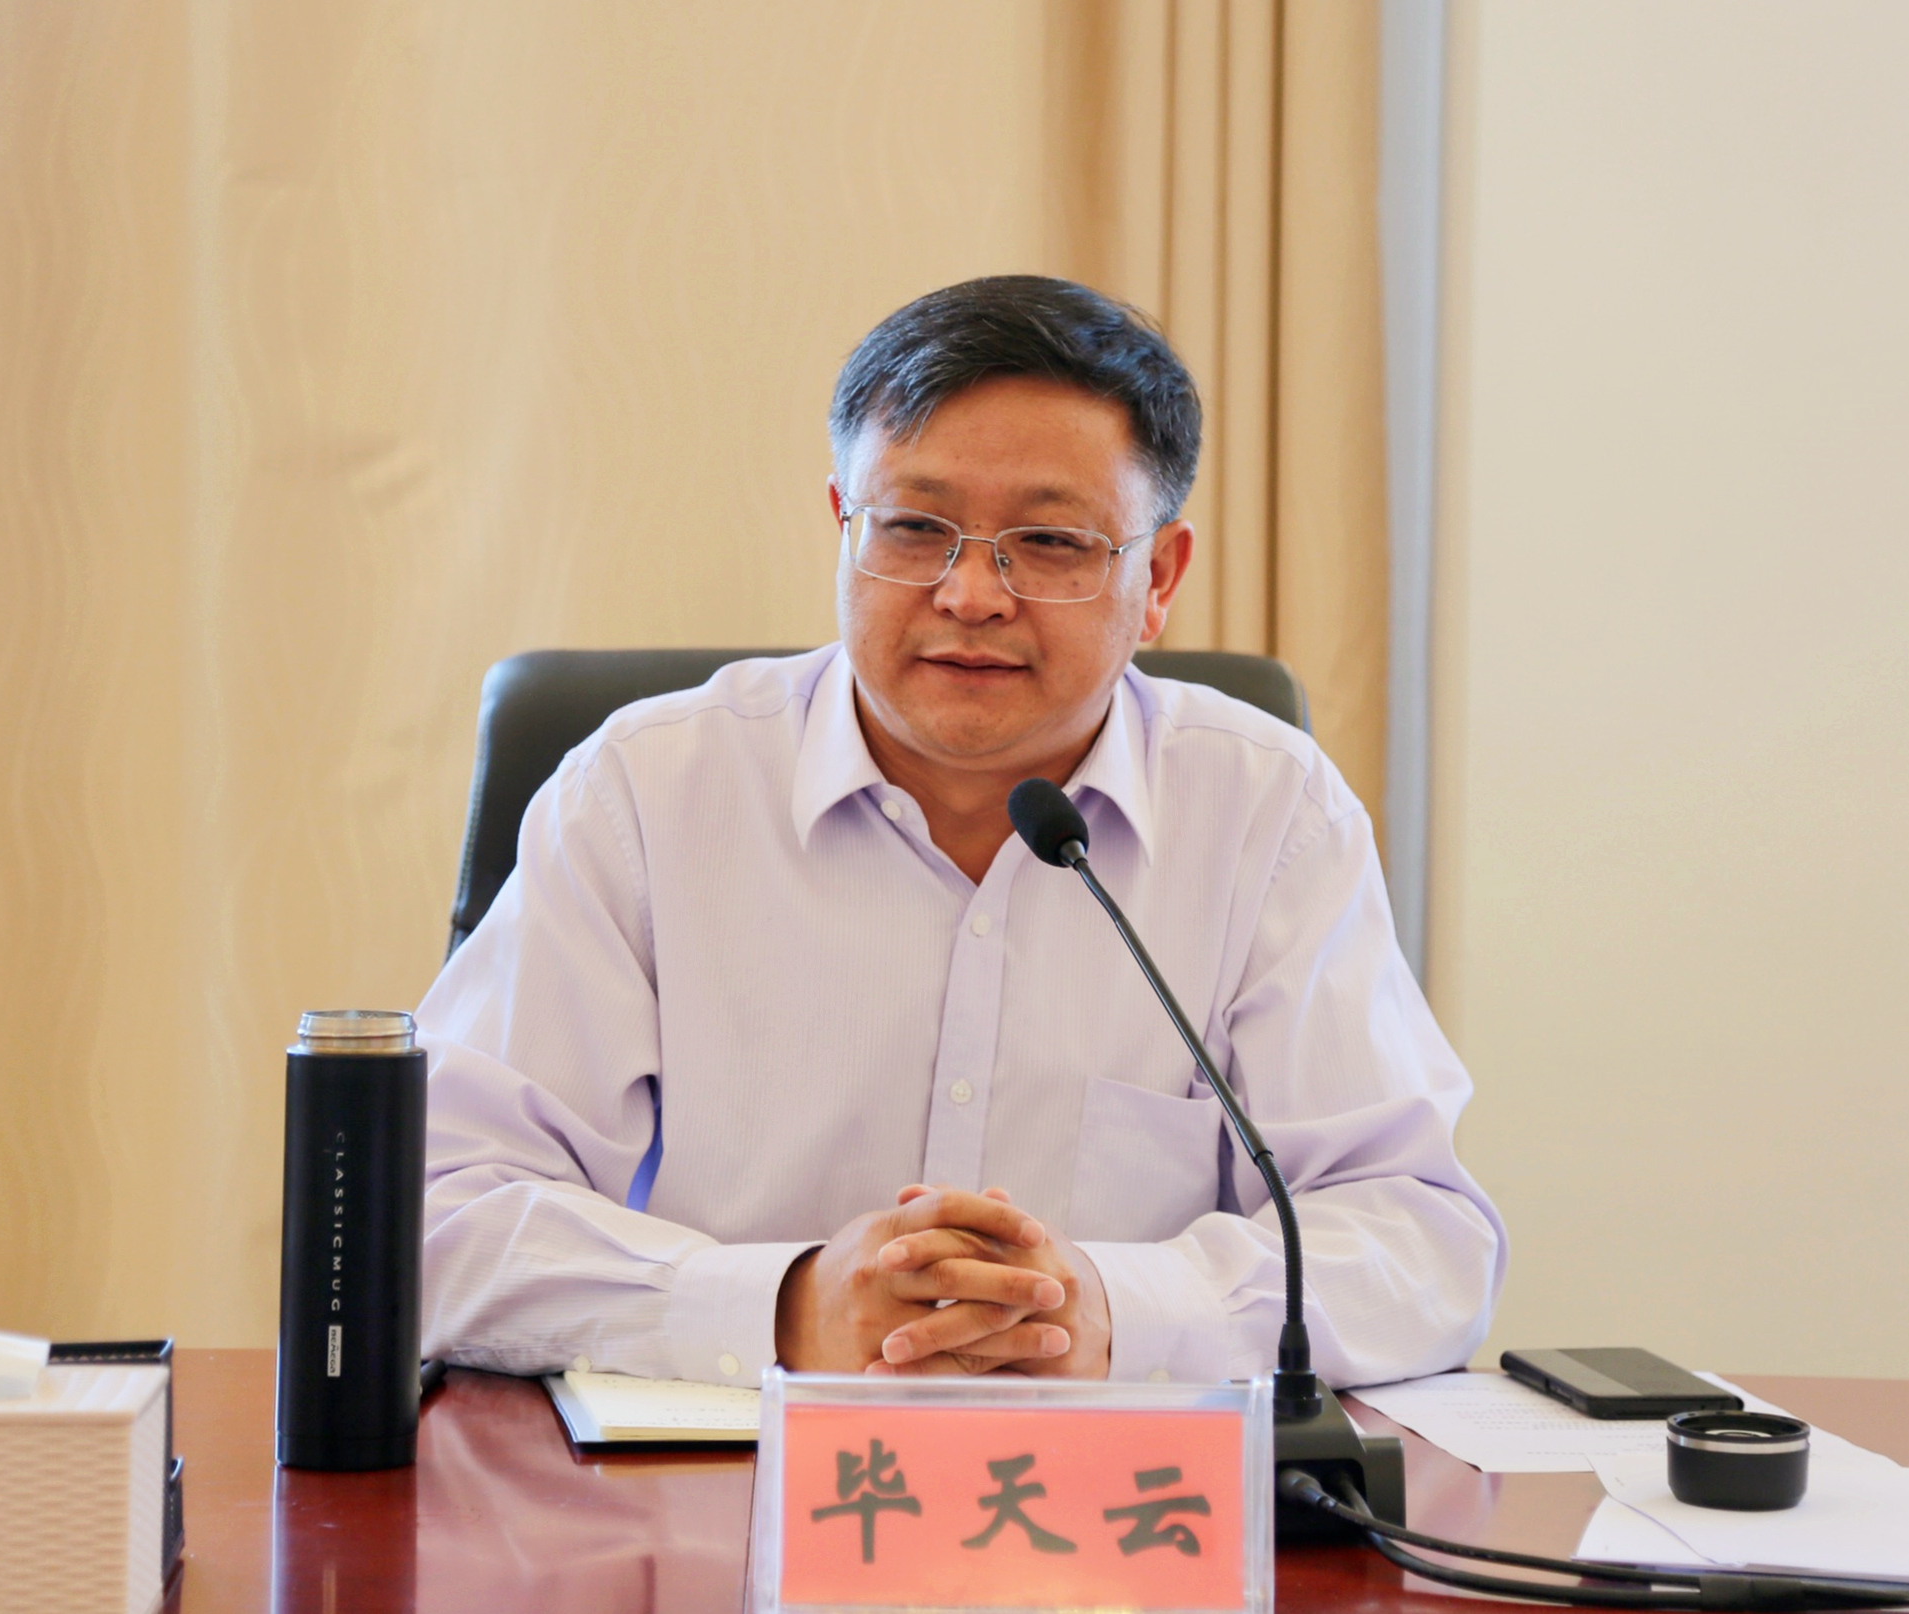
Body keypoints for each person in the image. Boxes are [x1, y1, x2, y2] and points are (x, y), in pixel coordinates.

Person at [418, 275, 1505, 1389]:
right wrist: (779, 1308)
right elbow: (436, 1212)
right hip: (717, 1472)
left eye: (1050, 540)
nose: (972, 594)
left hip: (1119, 1486)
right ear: (844, 530)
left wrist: (1119, 1312)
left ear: (1160, 577)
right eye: (915, 528)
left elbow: (1420, 1240)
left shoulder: (1267, 813)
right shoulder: (647, 793)